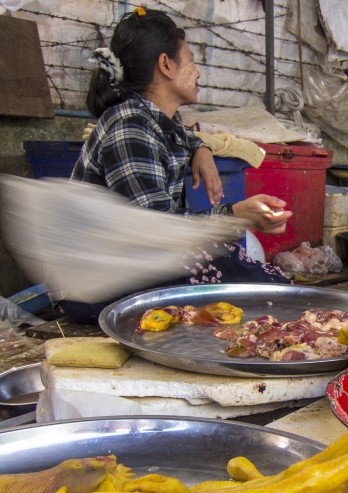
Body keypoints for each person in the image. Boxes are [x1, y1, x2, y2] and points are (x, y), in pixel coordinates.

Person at [68, 8, 291, 320]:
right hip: (98, 283)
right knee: (254, 292)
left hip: (135, 264)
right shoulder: (129, 126)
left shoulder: (157, 120)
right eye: (192, 60)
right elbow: (158, 234)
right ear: (166, 65)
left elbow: (185, 136)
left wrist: (201, 149)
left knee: (249, 277)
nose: (197, 72)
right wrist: (236, 215)